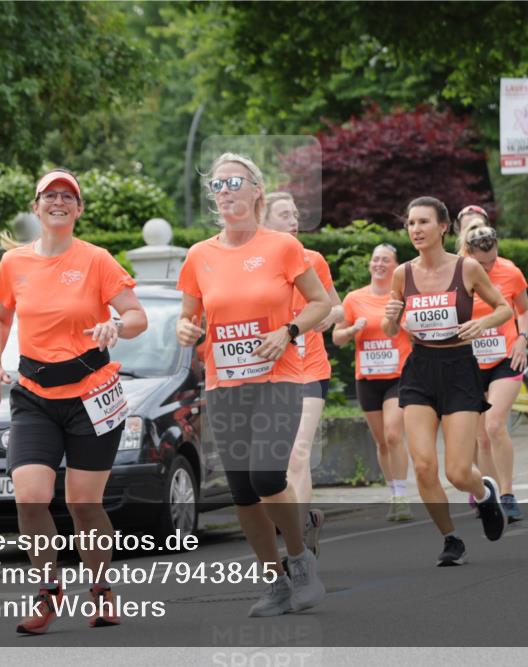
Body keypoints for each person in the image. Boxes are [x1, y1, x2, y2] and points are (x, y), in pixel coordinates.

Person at [0, 168, 148, 634]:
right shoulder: (14, 264)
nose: (58, 201)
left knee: (83, 504)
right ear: (36, 207)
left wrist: (117, 325)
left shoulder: (96, 260)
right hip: (34, 396)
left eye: (67, 196)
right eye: (49, 195)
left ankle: (101, 588)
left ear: (79, 209)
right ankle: (48, 590)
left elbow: (137, 316)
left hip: (91, 394)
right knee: (31, 498)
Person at [176, 153, 332, 616]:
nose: (225, 191)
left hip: (277, 378)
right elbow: (189, 318)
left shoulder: (283, 247)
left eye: (234, 182)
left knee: (267, 476)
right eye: (218, 184)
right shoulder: (199, 255)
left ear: (256, 191)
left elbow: (321, 303)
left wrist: (288, 331)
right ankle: (275, 580)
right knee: (242, 490)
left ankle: (300, 561)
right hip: (225, 385)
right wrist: (185, 330)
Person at [382, 196, 512, 566]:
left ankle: (484, 494)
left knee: (457, 471)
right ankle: (450, 538)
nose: (416, 229)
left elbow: (503, 308)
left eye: (423, 222)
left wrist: (482, 323)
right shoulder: (402, 274)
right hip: (420, 370)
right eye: (411, 223)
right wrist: (390, 317)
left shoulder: (466, 268)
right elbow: (390, 330)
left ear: (443, 227)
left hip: (459, 369)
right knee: (423, 465)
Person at [262, 192, 344, 557]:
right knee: (274, 461)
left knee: (298, 453)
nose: (294, 220)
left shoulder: (313, 260)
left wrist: (329, 316)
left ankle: (297, 548)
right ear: (263, 220)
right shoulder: (253, 265)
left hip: (309, 366)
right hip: (268, 373)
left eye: (295, 214)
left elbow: (338, 308)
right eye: (284, 214)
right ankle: (305, 520)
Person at [333, 244, 415, 522]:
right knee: (381, 441)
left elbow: (415, 331)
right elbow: (337, 337)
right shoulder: (354, 299)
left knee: (393, 434)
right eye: (375, 259)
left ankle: (402, 496)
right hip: (367, 378)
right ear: (370, 265)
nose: (379, 264)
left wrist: (407, 324)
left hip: (398, 375)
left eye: (385, 260)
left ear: (395, 266)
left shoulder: (400, 297)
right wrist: (352, 330)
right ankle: (393, 492)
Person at [458, 222, 528, 523]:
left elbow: (524, 310)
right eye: (482, 263)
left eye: (492, 261)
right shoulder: (457, 273)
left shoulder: (510, 272)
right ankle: (488, 494)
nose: (488, 268)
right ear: (468, 253)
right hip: (470, 362)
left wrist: (522, 338)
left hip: (505, 357)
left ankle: (508, 493)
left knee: (494, 424)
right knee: (481, 437)